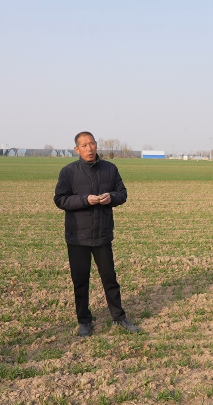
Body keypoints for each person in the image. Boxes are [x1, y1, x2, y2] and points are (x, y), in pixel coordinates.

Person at [54, 131, 140, 337]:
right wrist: (85, 200)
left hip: (102, 234)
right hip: (77, 236)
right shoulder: (68, 172)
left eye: (91, 144)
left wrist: (112, 197)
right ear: (77, 149)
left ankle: (119, 317)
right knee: (80, 281)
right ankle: (84, 321)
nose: (89, 148)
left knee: (110, 279)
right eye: (84, 146)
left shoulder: (110, 169)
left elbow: (123, 193)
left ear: (96, 145)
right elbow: (60, 200)